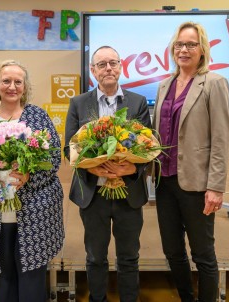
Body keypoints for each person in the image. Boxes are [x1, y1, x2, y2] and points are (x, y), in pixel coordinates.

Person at [0, 60, 64, 302]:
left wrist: (27, 177)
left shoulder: (38, 117)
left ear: (25, 86)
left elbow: (52, 158)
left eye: (17, 81)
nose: (12, 86)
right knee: (2, 272)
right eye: (6, 81)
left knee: (32, 274)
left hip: (34, 210)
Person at [64, 46, 151, 302]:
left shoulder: (138, 102)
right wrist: (91, 166)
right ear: (93, 71)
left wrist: (132, 167)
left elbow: (148, 145)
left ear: (121, 66)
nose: (108, 68)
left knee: (128, 257)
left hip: (129, 194)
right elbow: (69, 146)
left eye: (113, 63)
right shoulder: (78, 103)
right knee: (95, 257)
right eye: (102, 65)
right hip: (93, 195)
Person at [152, 22, 229, 302]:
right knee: (172, 250)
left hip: (197, 184)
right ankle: (187, 297)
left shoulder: (214, 83)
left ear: (202, 49)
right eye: (179, 45)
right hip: (164, 181)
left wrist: (216, 187)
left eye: (191, 45)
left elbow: (220, 140)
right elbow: (156, 134)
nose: (184, 50)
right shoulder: (164, 84)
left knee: (203, 255)